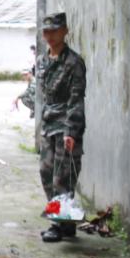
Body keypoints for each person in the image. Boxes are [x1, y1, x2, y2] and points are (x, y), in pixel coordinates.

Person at [36, 12, 86, 243]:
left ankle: (58, 224)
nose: (50, 36)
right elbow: (42, 95)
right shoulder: (42, 60)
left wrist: (72, 132)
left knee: (62, 177)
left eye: (54, 31)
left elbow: (76, 99)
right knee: (46, 173)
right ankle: (66, 223)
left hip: (66, 124)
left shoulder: (74, 63)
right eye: (46, 31)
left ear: (65, 31)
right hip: (48, 124)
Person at [14, 44, 36, 117]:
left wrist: (18, 97)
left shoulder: (33, 80)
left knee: (25, 97)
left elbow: (30, 91)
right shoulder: (31, 80)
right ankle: (34, 110)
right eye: (23, 75)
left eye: (26, 75)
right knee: (26, 96)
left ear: (30, 74)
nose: (25, 76)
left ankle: (36, 110)